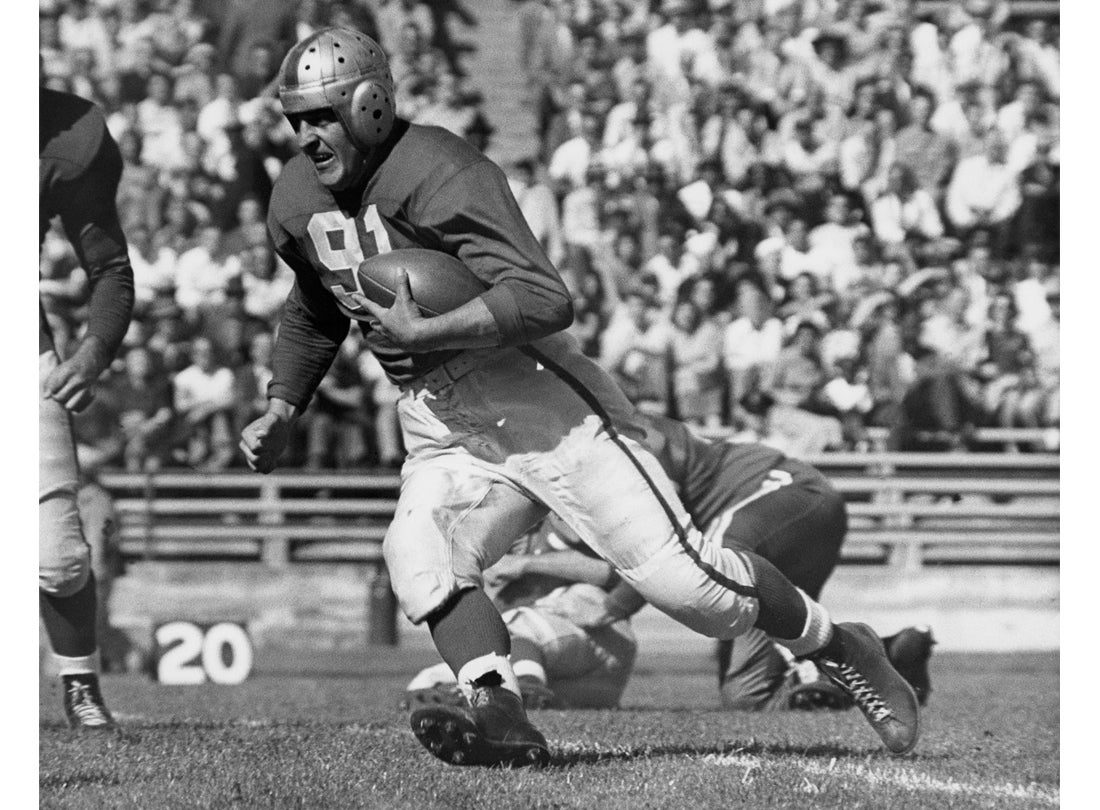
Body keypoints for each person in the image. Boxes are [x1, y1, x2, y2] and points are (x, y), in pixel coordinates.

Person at [241, 28, 920, 768]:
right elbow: (316, 303)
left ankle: (843, 646)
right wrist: (283, 403)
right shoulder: (296, 198)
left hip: (536, 395)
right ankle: (498, 708)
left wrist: (433, 326)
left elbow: (542, 297)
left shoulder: (440, 167)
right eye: (296, 120)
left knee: (691, 592)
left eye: (322, 116)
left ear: (369, 105)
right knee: (420, 552)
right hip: (434, 411)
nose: (306, 136)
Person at [404, 415, 936, 713]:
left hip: (777, 494)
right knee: (745, 696)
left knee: (729, 572)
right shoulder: (590, 453)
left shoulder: (628, 439)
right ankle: (890, 659)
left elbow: (658, 535)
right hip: (802, 517)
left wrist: (613, 606)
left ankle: (826, 663)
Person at [40, 86, 135, 730]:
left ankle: (79, 683)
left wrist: (93, 350)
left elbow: (111, 270)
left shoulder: (62, 138)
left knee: (57, 556)